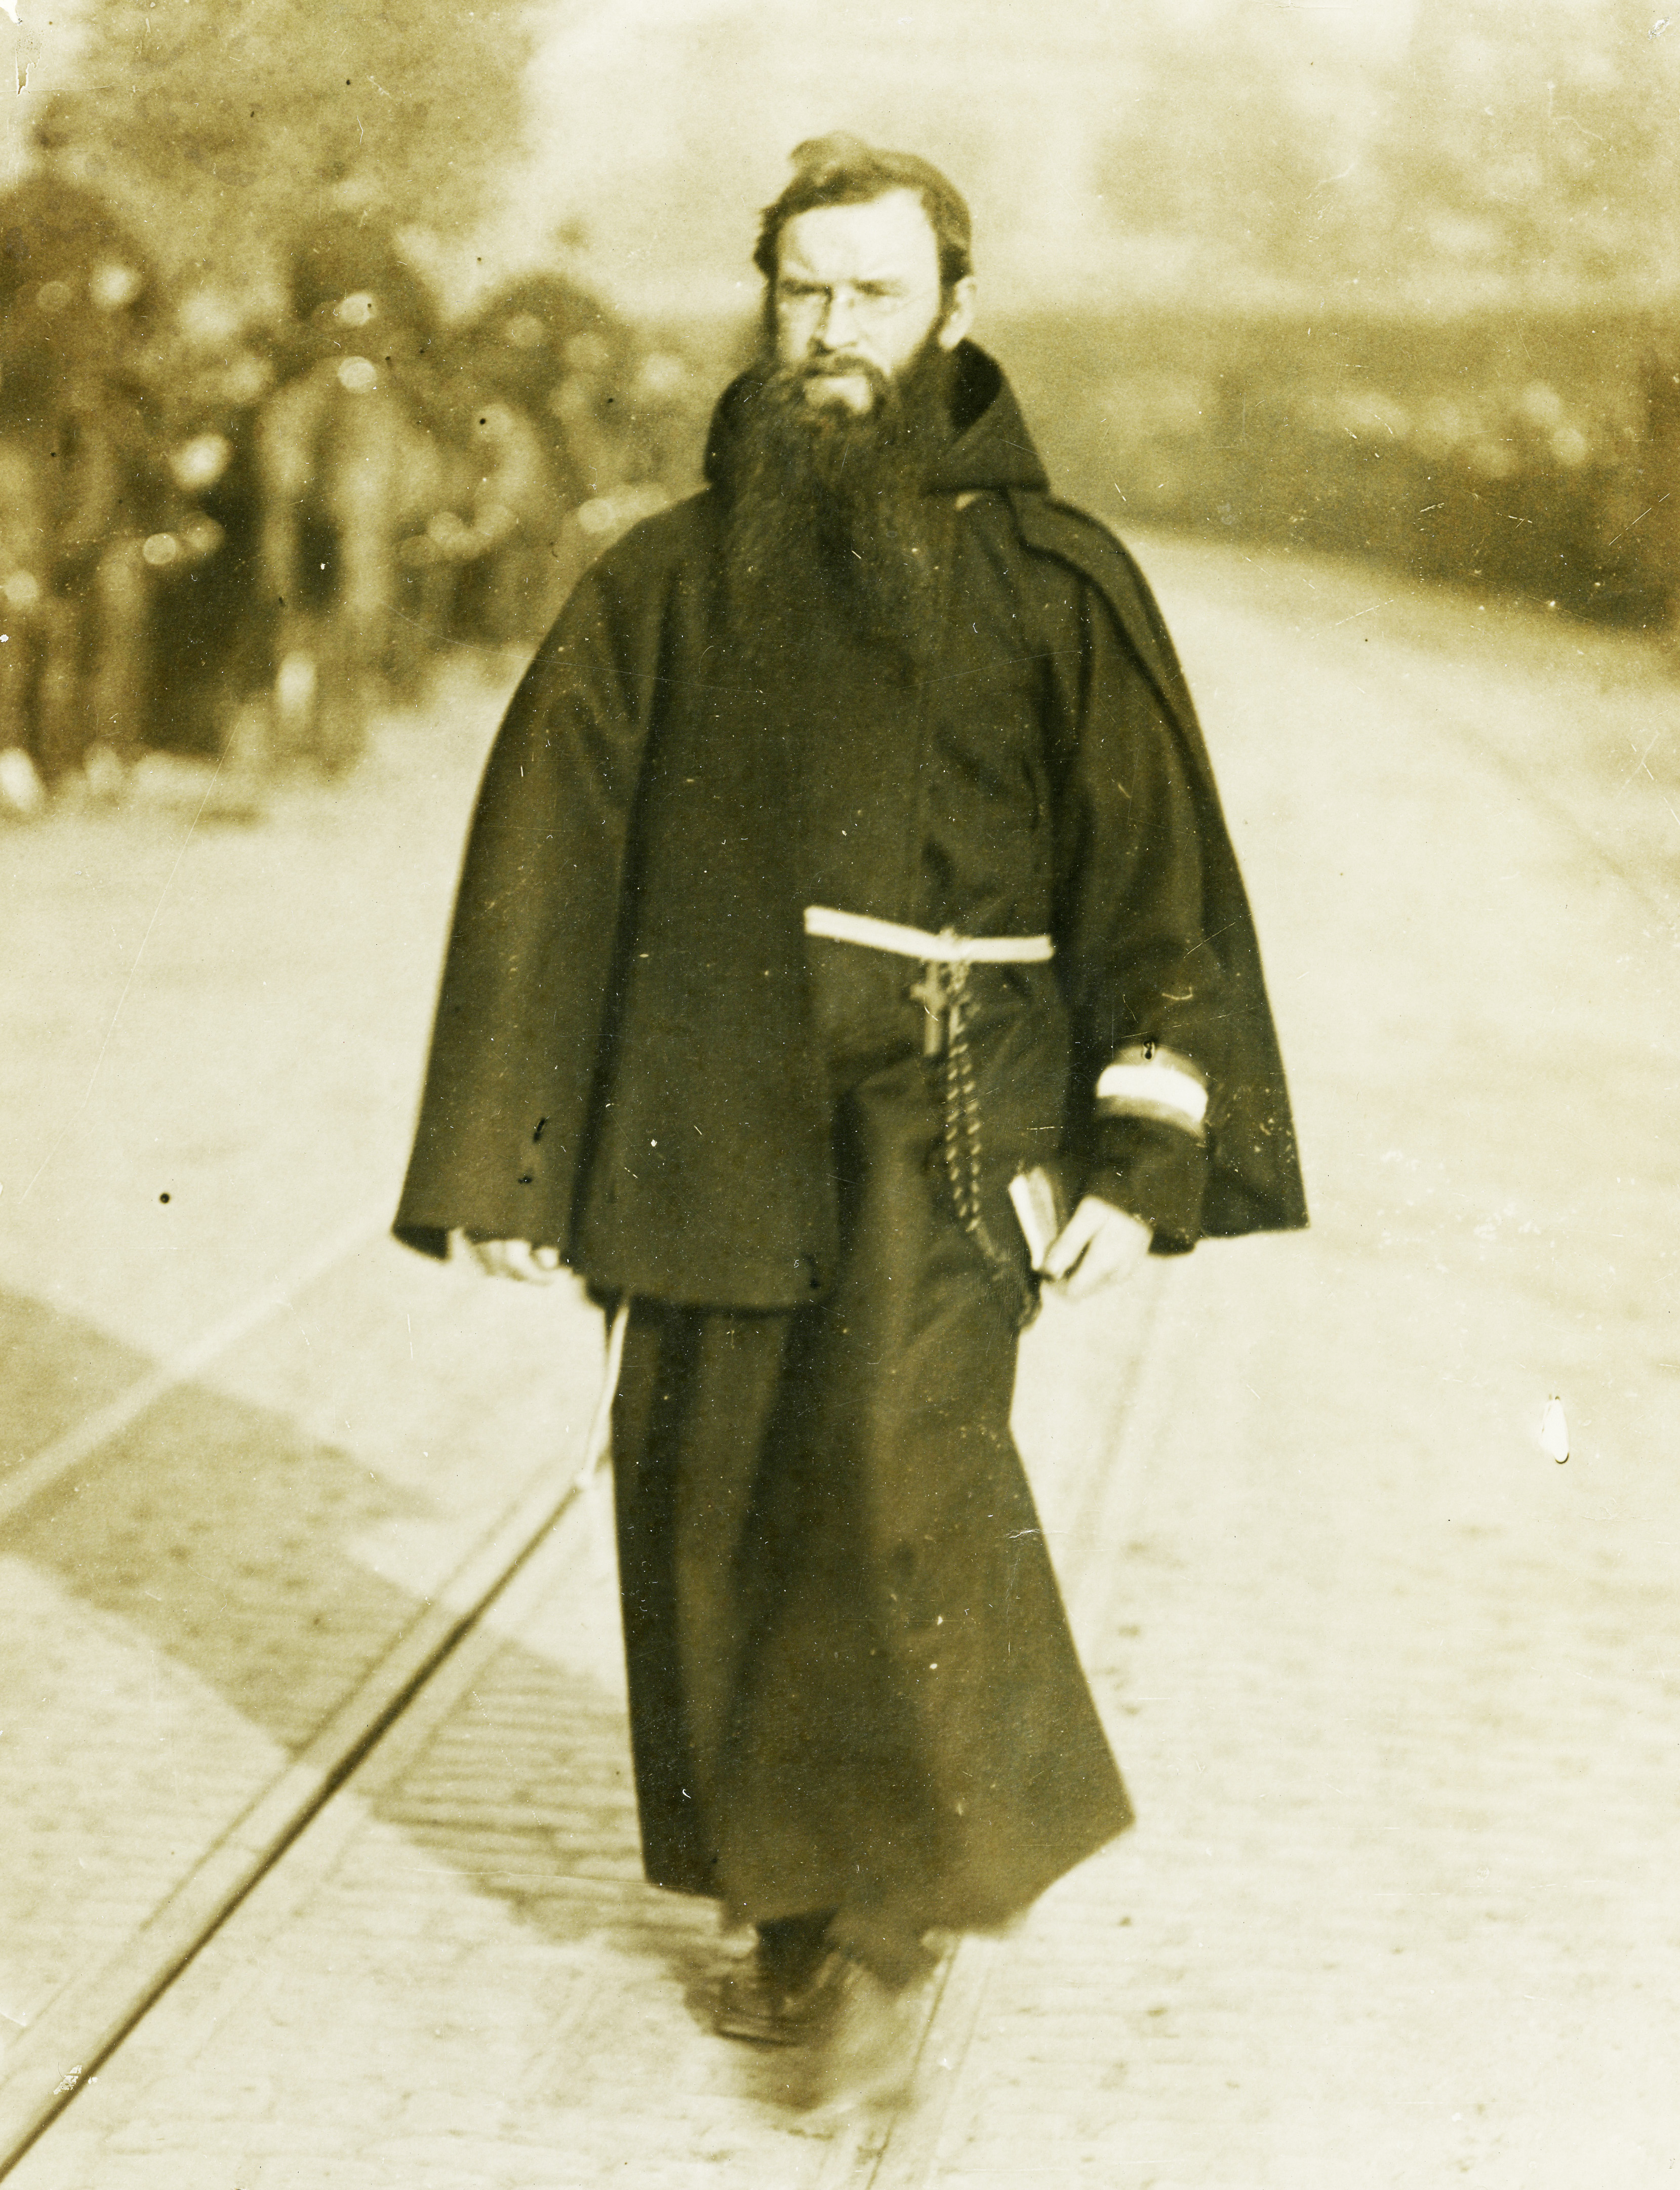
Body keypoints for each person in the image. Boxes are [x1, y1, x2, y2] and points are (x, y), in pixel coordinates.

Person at [395, 135, 1306, 2102]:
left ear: (952, 315)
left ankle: (901, 1904)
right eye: (801, 292)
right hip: (701, 1109)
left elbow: (1157, 885)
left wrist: (1148, 1151)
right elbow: (541, 864)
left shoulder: (1061, 584)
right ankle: (791, 1909)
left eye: (871, 296)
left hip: (953, 1102)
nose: (829, 333)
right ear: (766, 300)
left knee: (899, 1479)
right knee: (709, 1497)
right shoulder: (659, 579)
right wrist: (507, 1160)